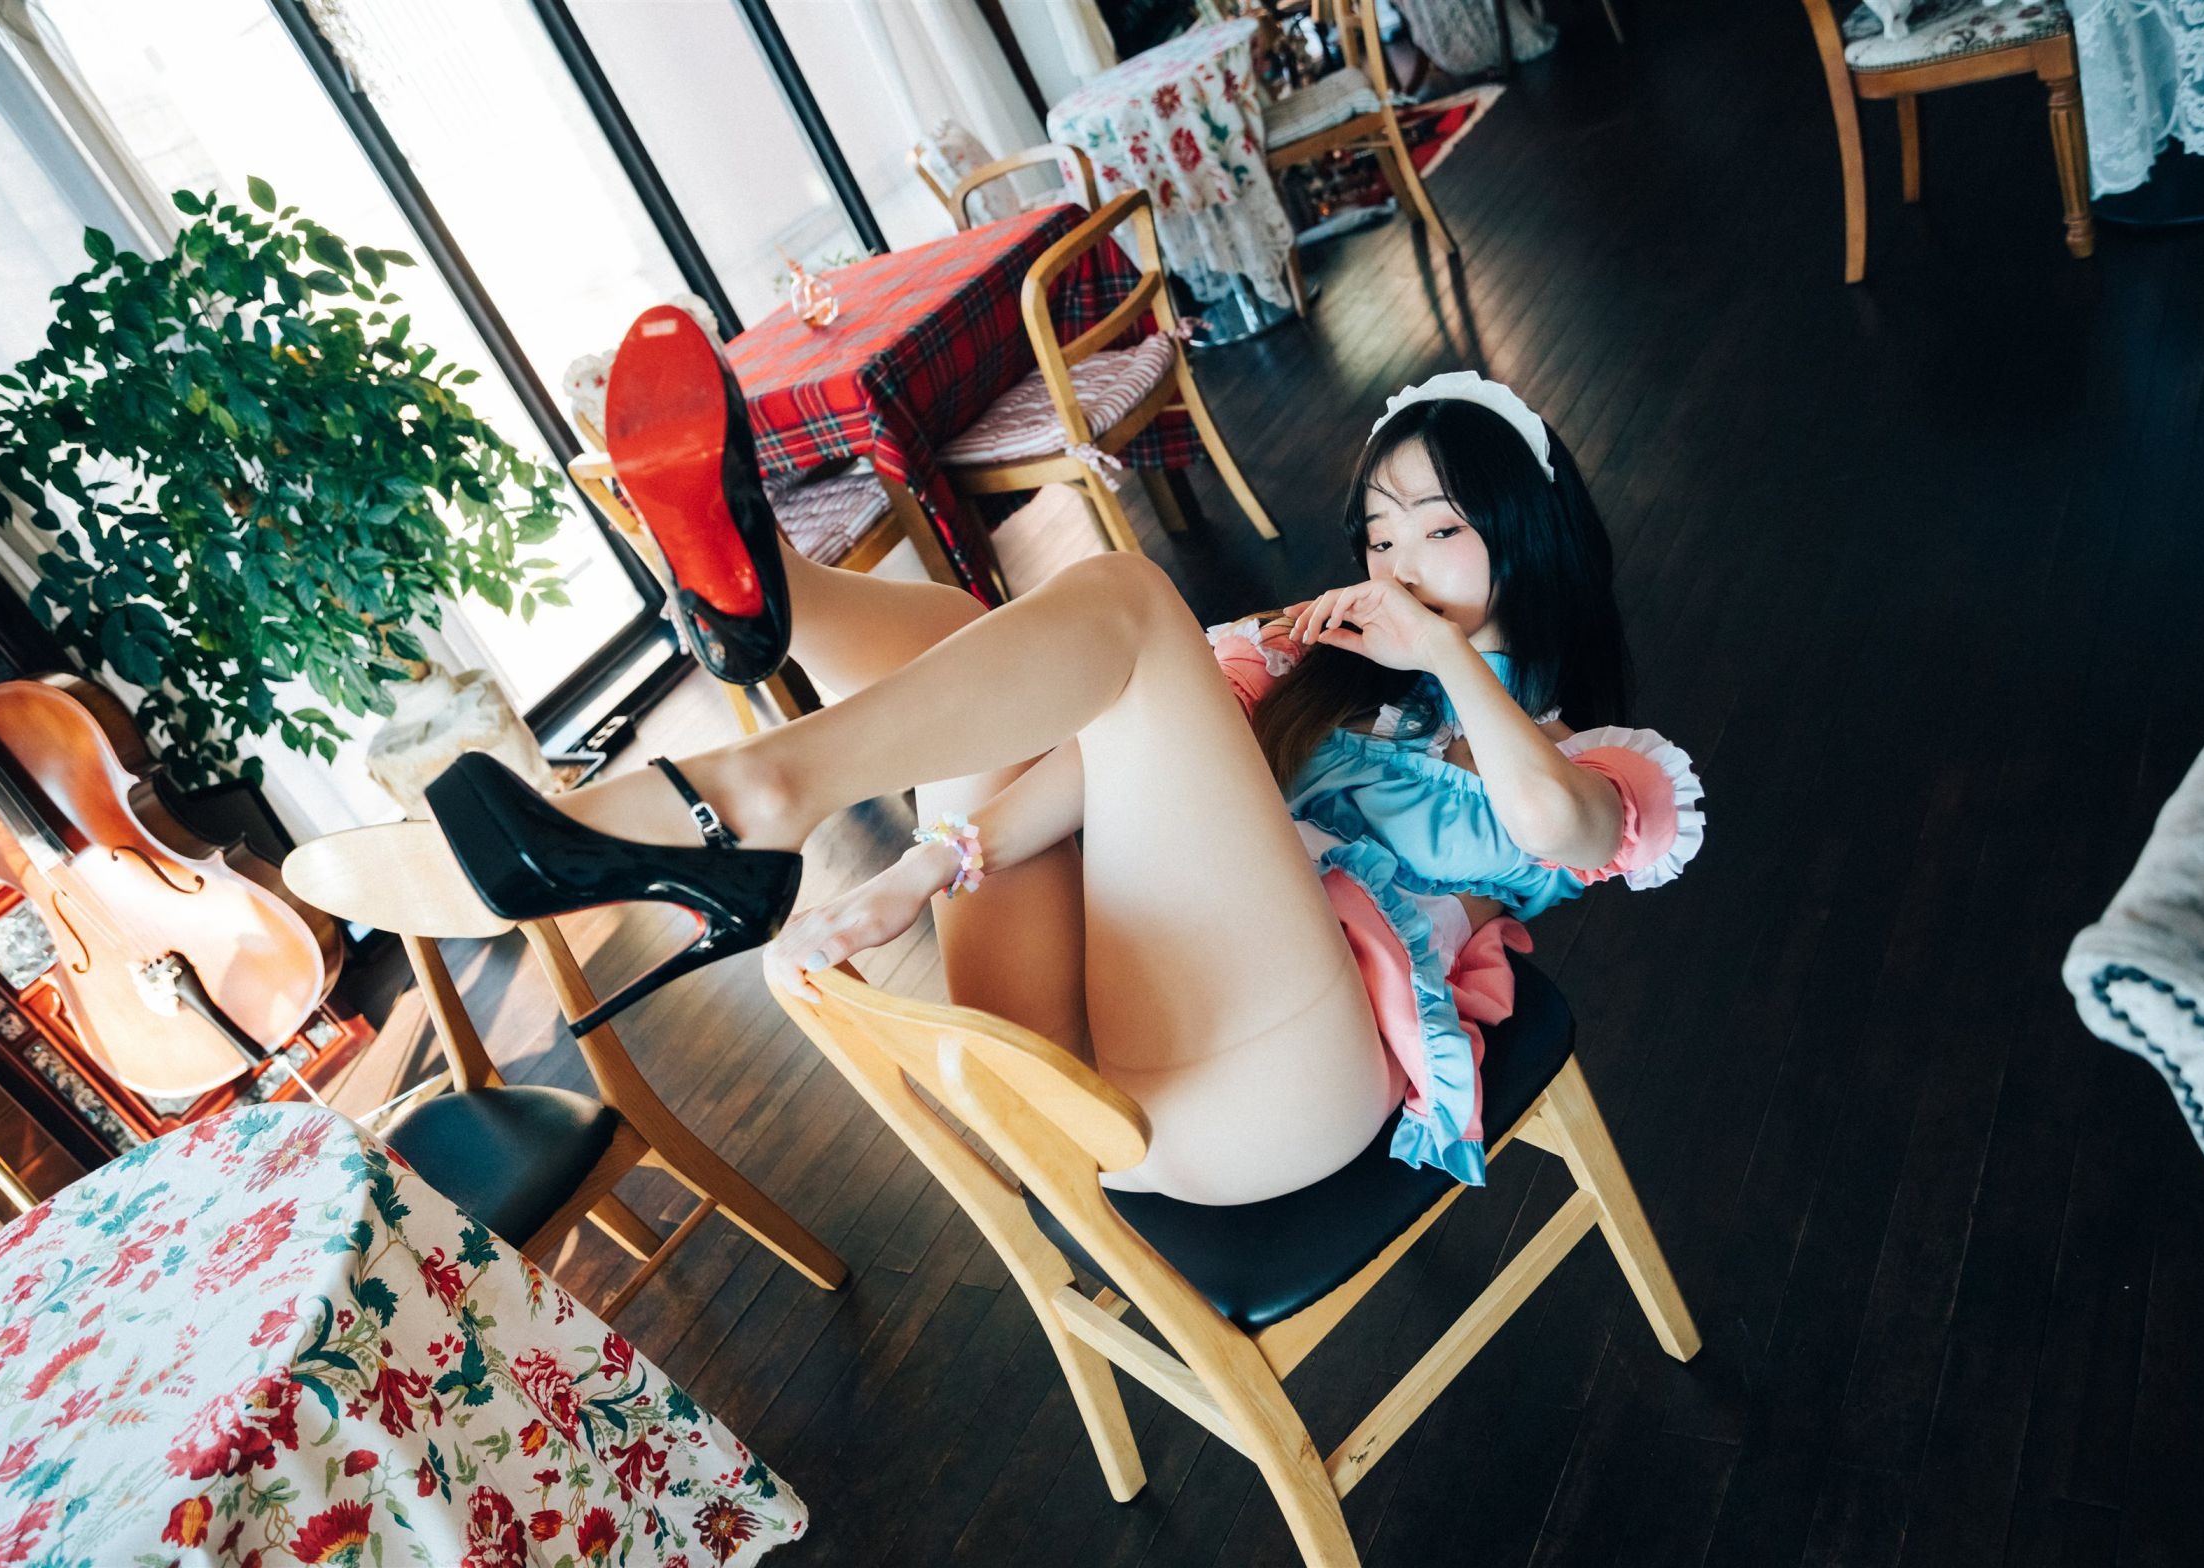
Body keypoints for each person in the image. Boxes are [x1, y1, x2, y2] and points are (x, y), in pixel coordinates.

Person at [426, 312, 1701, 1206]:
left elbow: (1556, 827)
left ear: (1529, 536)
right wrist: (920, 872)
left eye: (1437, 529)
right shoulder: (1319, 659)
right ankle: (768, 593)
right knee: (973, 639)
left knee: (1134, 609)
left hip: (1284, 1101)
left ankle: (757, 783)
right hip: (1094, 1053)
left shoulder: (1592, 762)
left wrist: (1443, 655)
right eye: (1378, 535)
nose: (1396, 564)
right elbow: (1117, 753)